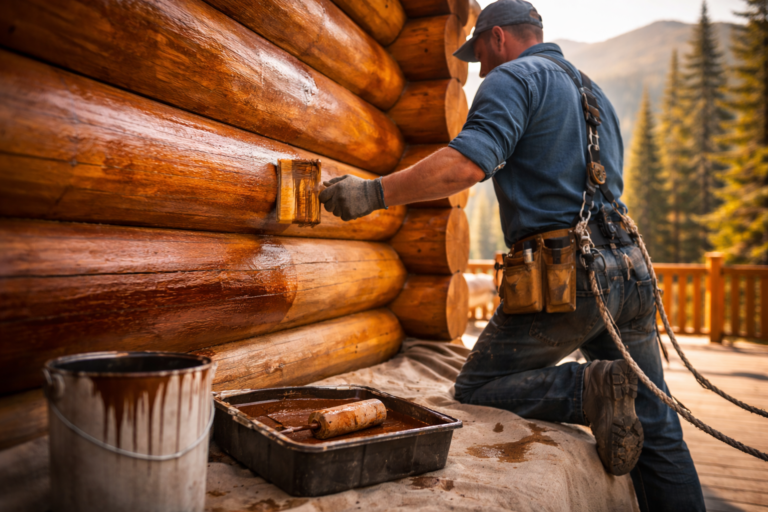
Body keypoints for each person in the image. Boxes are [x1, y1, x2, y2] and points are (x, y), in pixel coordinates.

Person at [318, 1, 705, 510]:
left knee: (479, 384)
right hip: (631, 272)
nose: (479, 69)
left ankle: (586, 388)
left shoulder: (512, 79)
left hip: (570, 279)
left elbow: (465, 166)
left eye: (478, 54)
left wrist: (370, 194)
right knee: (659, 426)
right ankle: (612, 389)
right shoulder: (594, 92)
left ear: (496, 38)